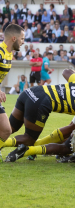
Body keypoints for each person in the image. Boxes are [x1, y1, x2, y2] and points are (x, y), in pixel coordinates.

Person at [0, 24, 24, 160]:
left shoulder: (9, 54)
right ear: (14, 38)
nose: (23, 41)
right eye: (22, 38)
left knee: (6, 130)